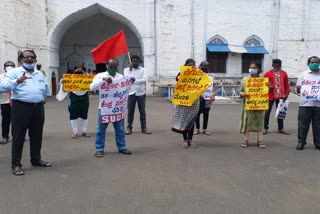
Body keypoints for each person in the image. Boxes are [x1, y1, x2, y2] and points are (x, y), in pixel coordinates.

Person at [2, 50, 51, 176]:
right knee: (18, 136)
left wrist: (42, 98)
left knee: (36, 135)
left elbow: (46, 89)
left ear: (35, 60)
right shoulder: (14, 72)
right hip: (21, 107)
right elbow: (3, 86)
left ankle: (36, 159)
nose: (29, 59)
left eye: (32, 57)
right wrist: (16, 81)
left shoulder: (39, 74)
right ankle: (16, 164)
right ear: (20, 59)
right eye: (26, 57)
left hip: (38, 107)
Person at [90, 58, 135, 158]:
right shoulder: (100, 75)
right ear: (107, 66)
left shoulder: (120, 77)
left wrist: (131, 81)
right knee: (100, 130)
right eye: (111, 67)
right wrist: (103, 80)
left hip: (118, 108)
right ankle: (99, 149)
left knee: (120, 129)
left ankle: (122, 147)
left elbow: (124, 89)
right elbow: (92, 88)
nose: (113, 69)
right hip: (104, 108)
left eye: (115, 67)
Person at [172, 58, 199, 148]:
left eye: (193, 65)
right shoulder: (182, 73)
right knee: (184, 120)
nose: (191, 67)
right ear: (185, 65)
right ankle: (184, 140)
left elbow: (203, 83)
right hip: (183, 101)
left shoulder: (198, 74)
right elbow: (177, 79)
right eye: (189, 65)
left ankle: (190, 140)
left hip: (193, 102)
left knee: (191, 120)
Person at [295, 56, 320, 150]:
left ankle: (318, 143)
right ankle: (301, 142)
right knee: (303, 124)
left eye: (317, 62)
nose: (315, 64)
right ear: (308, 64)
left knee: (318, 125)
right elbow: (297, 89)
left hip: (318, 104)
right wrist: (297, 88)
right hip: (305, 104)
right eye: (312, 62)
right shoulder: (303, 75)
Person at [239, 63, 266, 148]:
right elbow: (240, 91)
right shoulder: (245, 80)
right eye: (250, 67)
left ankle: (260, 141)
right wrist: (243, 94)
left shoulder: (263, 81)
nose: (252, 69)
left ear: (259, 69)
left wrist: (269, 87)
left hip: (259, 105)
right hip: (248, 105)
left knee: (260, 122)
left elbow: (266, 91)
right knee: (247, 122)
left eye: (254, 67)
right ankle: (245, 140)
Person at [124, 55, 152, 135]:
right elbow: (126, 79)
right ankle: (129, 127)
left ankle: (144, 127)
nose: (135, 63)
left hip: (141, 93)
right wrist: (130, 70)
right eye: (133, 61)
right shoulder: (126, 70)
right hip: (131, 93)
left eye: (136, 61)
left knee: (142, 111)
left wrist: (134, 80)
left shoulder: (143, 70)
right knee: (130, 111)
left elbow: (144, 80)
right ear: (131, 62)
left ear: (139, 62)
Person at [61, 66, 90, 139]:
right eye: (77, 72)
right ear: (74, 72)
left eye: (81, 72)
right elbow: (64, 90)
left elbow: (93, 86)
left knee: (84, 114)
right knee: (73, 115)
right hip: (74, 96)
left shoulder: (87, 78)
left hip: (84, 96)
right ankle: (75, 132)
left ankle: (84, 131)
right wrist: (63, 83)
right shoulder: (69, 78)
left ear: (83, 72)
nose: (79, 73)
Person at [263, 59, 290, 135]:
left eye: (279, 65)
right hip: (270, 96)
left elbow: (286, 85)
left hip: (281, 96)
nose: (277, 67)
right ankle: (265, 128)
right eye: (276, 65)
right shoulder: (267, 74)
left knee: (280, 112)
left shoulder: (284, 73)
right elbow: (263, 85)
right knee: (267, 112)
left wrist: (287, 94)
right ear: (272, 65)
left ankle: (280, 128)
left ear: (281, 65)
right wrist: (269, 87)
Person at [193, 61, 215, 135]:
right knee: (197, 114)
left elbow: (212, 86)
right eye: (203, 67)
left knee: (206, 114)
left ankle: (205, 129)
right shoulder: (197, 75)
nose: (204, 68)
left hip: (207, 98)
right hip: (198, 98)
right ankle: (197, 129)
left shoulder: (210, 75)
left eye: (206, 67)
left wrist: (213, 94)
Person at [0, 61, 15, 145]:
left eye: (11, 66)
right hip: (5, 101)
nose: (9, 67)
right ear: (4, 68)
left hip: (16, 102)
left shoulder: (17, 75)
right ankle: (5, 137)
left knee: (16, 121)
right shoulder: (1, 76)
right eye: (7, 66)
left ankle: (17, 136)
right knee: (5, 120)